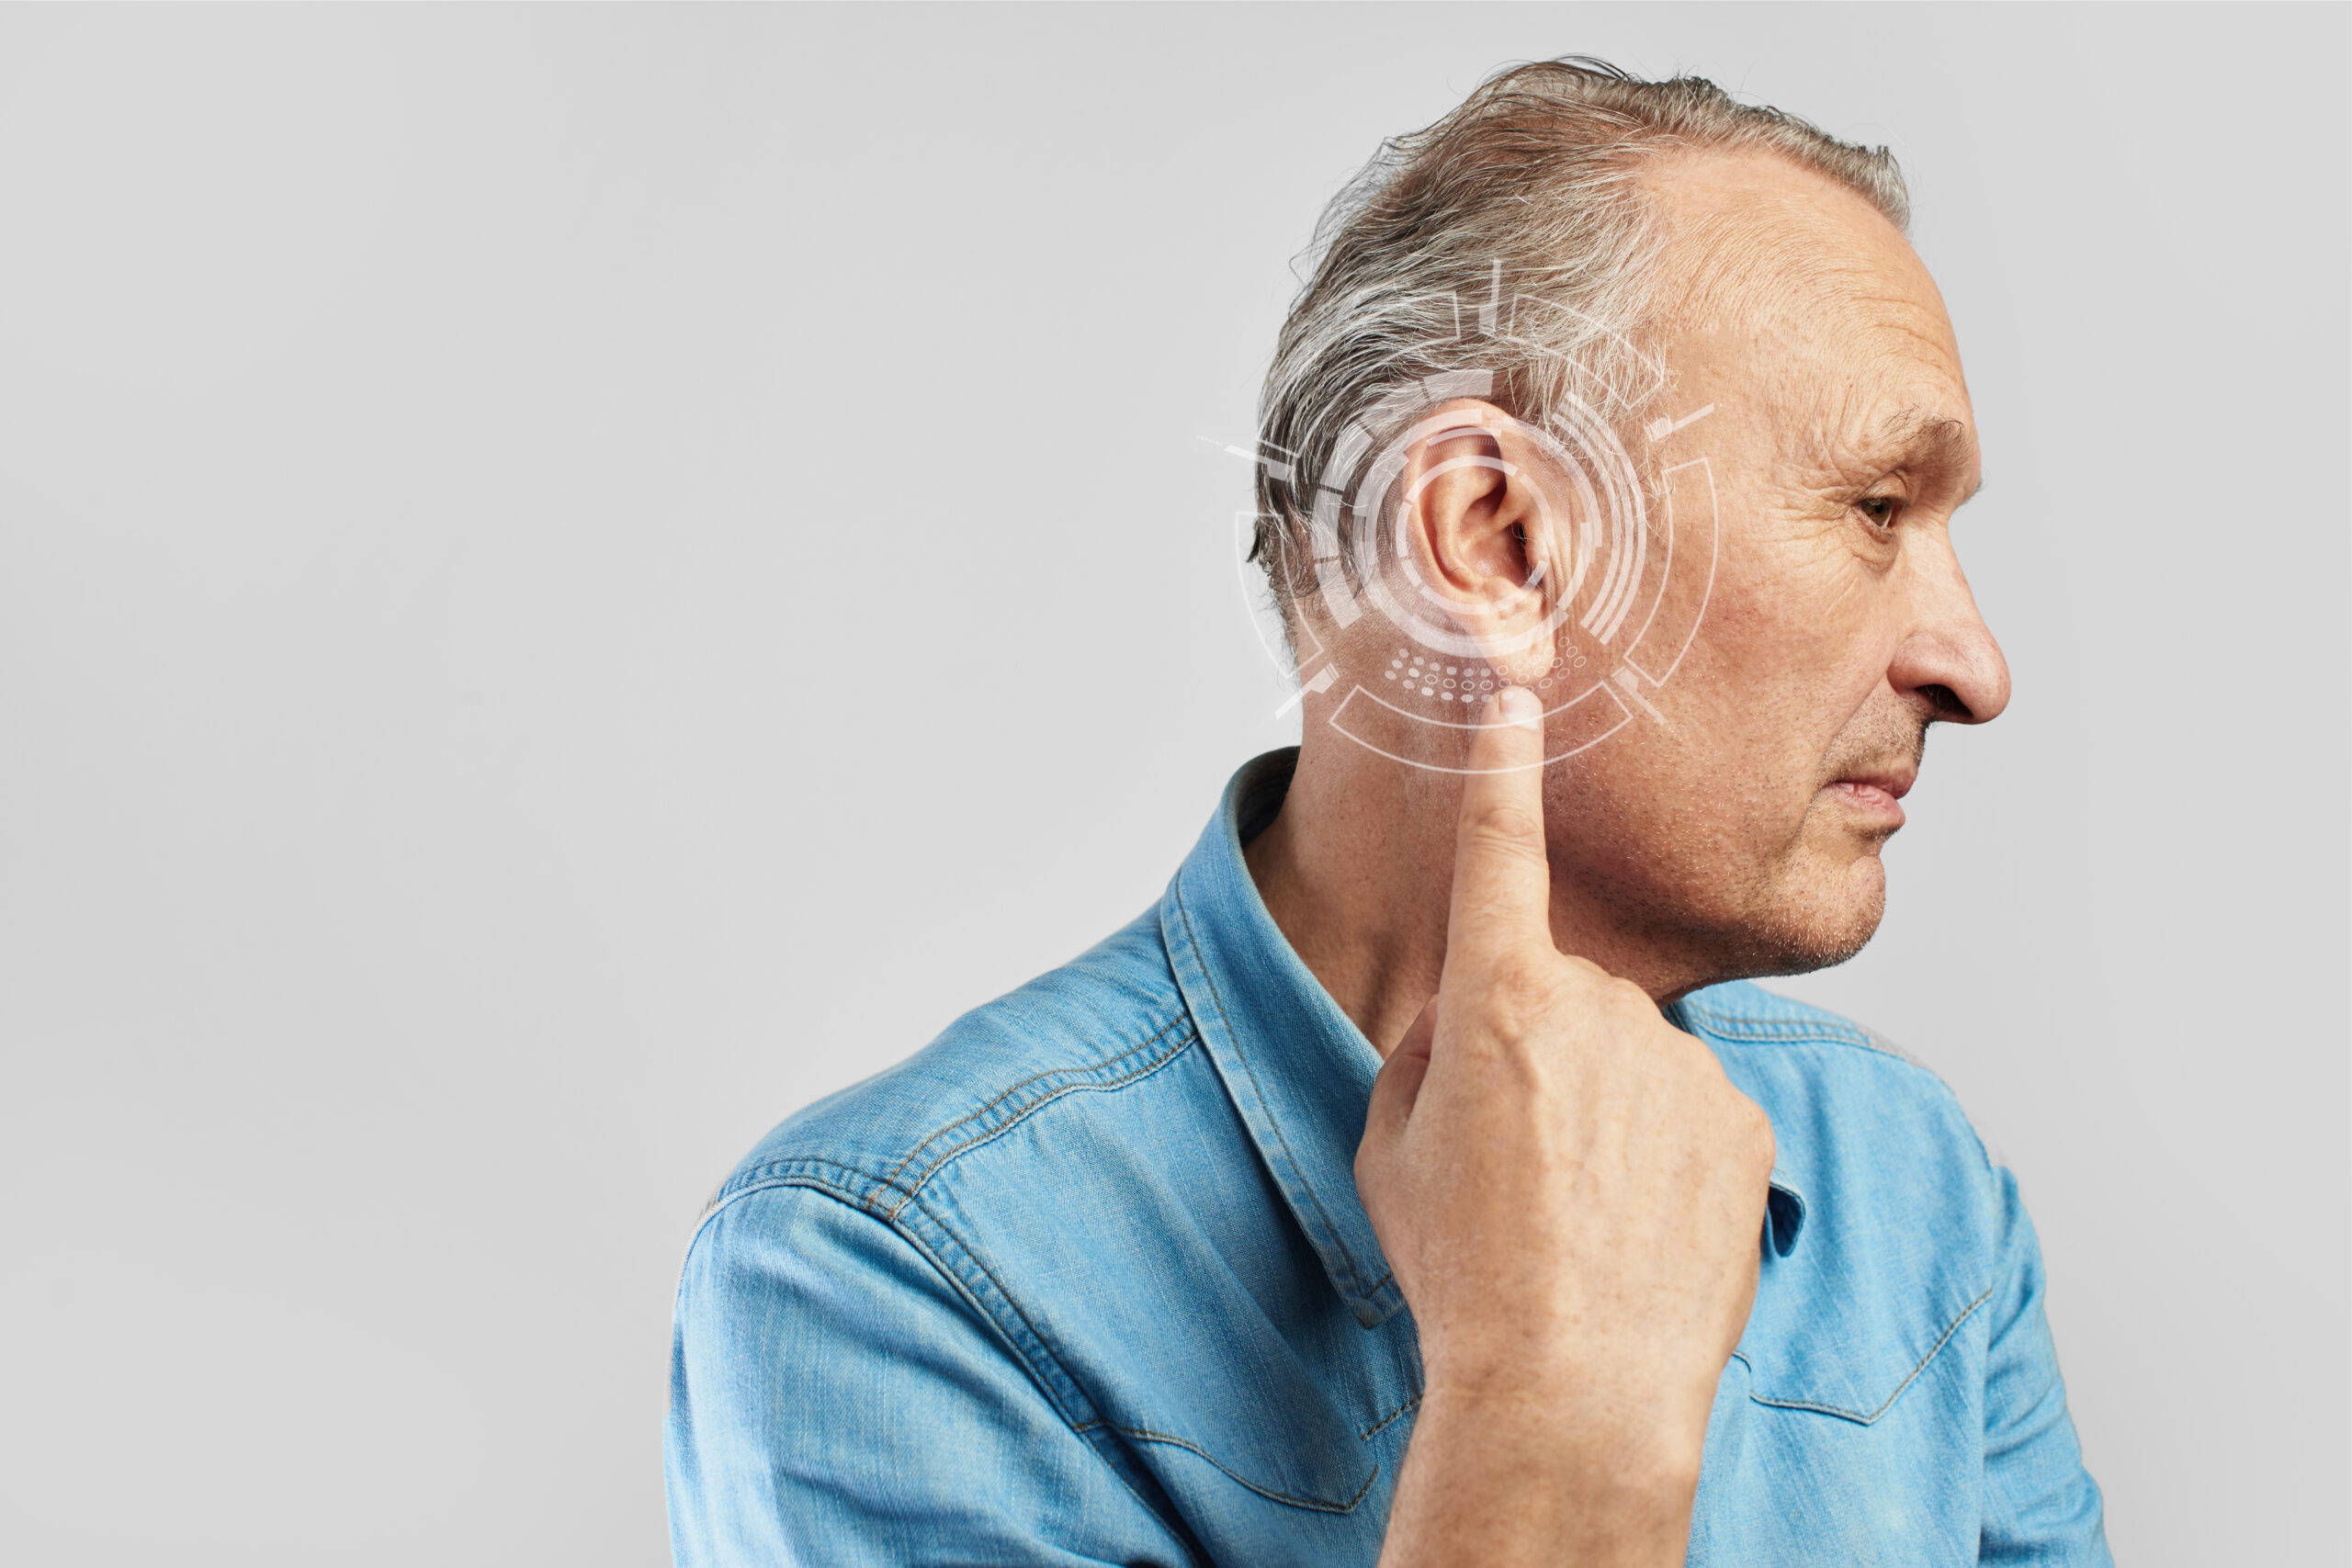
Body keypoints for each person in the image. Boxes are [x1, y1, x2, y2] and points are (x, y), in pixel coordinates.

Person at [664, 58, 2109, 1567]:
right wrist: (1558, 1408)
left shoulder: (1912, 1181)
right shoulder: (893, 1280)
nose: (1977, 667)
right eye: (1877, 509)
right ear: (1496, 540)